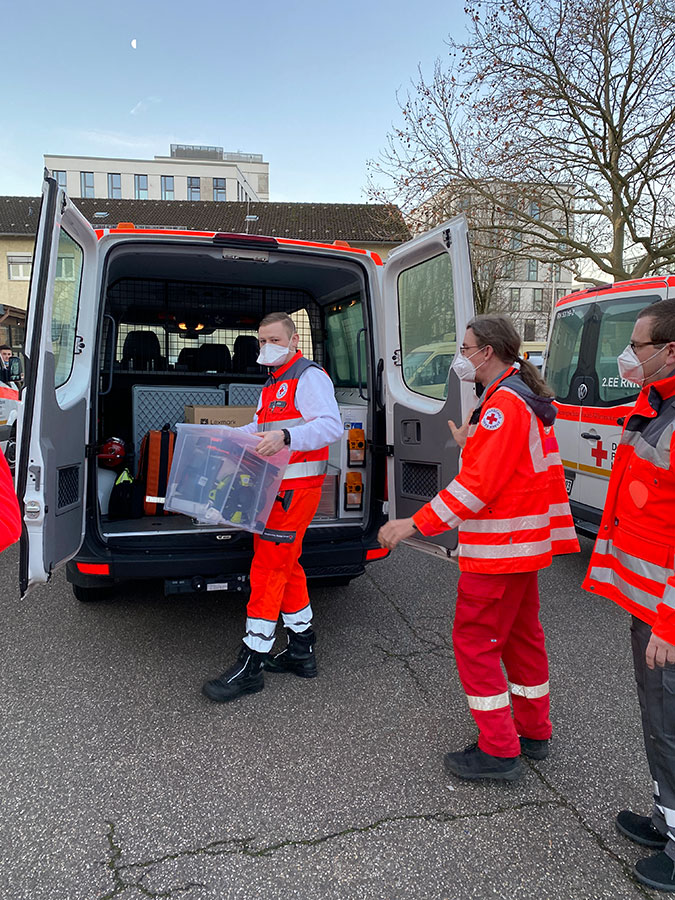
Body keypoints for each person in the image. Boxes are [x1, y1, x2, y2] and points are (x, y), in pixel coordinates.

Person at [378, 315, 579, 781]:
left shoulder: (502, 405)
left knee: (476, 645)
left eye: (465, 348)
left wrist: (414, 523)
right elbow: (510, 471)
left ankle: (499, 750)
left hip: (498, 550)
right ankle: (533, 732)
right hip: (522, 546)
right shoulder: (520, 397)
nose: (461, 357)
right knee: (522, 641)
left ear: (487, 352)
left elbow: (478, 486)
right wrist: (470, 444)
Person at [202, 312, 343, 703]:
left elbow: (331, 425)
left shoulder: (308, 377)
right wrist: (230, 435)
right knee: (287, 565)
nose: (267, 347)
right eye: (262, 341)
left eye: (275, 339)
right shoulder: (272, 384)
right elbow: (259, 429)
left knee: (267, 568)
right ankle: (302, 650)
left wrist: (286, 436)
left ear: (294, 340)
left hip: (295, 491)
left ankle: (252, 662)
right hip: (276, 489)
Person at [583, 299, 675, 892]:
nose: (628, 356)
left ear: (670, 351)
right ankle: (666, 819)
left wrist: (669, 622)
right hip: (650, 606)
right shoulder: (654, 407)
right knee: (657, 720)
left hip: (667, 616)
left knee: (671, 724)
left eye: (637, 346)